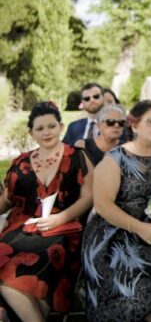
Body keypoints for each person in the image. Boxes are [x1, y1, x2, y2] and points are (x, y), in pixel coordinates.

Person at [81, 100, 151, 322]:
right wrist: (139, 228)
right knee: (126, 263)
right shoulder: (115, 159)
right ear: (134, 126)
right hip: (116, 228)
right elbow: (103, 205)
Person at [0, 102, 93, 322]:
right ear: (31, 133)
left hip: (62, 229)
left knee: (24, 264)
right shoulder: (20, 162)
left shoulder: (78, 156)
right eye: (40, 128)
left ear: (61, 127)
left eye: (51, 126)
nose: (46, 132)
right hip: (19, 228)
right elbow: (7, 200)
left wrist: (60, 218)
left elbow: (89, 196)